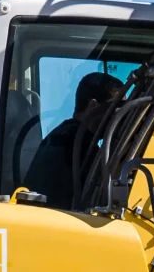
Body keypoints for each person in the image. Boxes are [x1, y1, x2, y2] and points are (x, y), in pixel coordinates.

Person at [30, 71, 125, 209]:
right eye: (116, 110)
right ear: (93, 106)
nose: (119, 118)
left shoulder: (61, 135)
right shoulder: (80, 146)